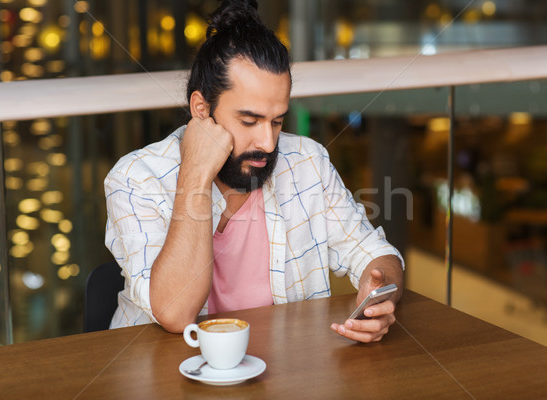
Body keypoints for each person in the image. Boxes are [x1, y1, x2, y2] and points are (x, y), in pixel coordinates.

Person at [104, 0, 404, 343]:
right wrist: (196, 174)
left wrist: (379, 294)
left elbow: (376, 253)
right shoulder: (134, 178)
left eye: (277, 121)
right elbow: (174, 313)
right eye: (249, 120)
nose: (268, 142)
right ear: (201, 109)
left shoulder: (308, 161)